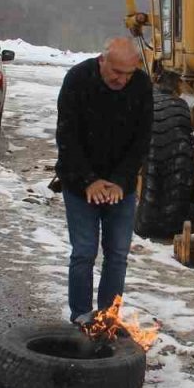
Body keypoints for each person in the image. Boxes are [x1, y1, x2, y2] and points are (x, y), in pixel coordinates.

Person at [55, 36, 153, 322]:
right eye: (116, 72)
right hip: (79, 182)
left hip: (119, 186)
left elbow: (141, 141)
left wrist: (121, 181)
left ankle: (108, 318)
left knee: (118, 254)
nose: (122, 79)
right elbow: (67, 137)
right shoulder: (77, 80)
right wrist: (89, 181)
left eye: (128, 73)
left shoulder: (141, 86)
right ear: (102, 60)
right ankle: (82, 316)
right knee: (84, 252)